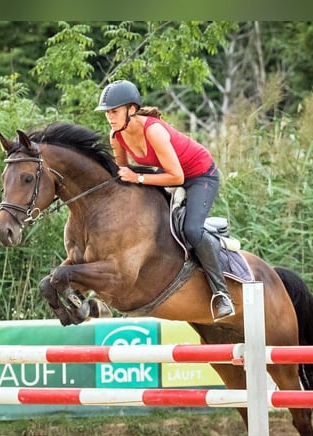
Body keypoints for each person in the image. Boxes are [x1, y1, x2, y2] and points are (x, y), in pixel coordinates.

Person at [95, 79, 235, 321]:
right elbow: (122, 174)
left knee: (192, 229)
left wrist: (138, 178)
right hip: (169, 174)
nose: (110, 117)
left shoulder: (154, 131)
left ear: (131, 109)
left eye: (114, 111)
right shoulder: (116, 136)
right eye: (107, 112)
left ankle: (222, 294)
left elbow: (177, 175)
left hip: (200, 176)